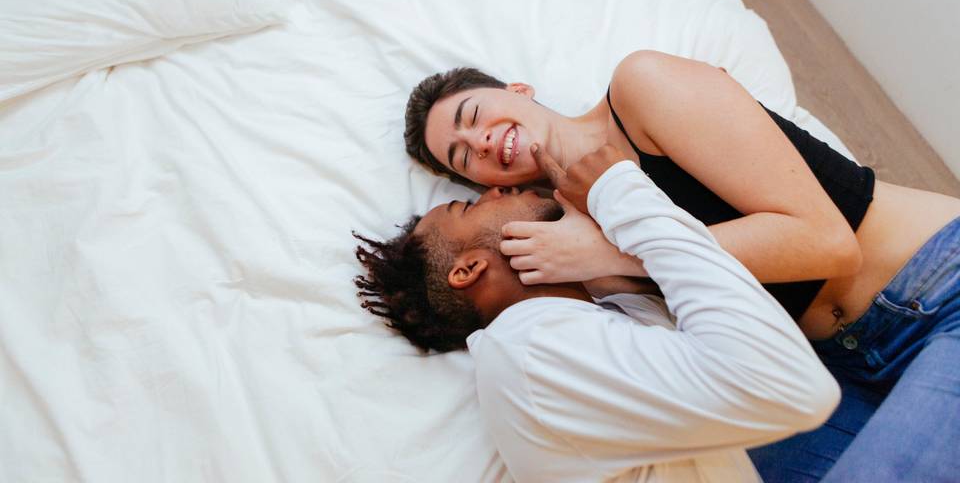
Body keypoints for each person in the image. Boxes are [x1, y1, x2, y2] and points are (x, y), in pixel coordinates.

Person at [403, 53, 960, 482]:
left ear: (516, 91)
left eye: (472, 116)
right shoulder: (558, 241)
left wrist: (609, 254)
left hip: (934, 288)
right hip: (831, 362)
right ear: (488, 185)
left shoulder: (641, 89)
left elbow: (828, 243)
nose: (479, 140)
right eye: (462, 156)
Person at [355, 145, 839, 483]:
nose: (493, 191)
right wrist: (620, 192)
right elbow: (794, 387)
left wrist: (598, 234)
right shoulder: (532, 351)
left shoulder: (582, 319)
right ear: (470, 269)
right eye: (469, 206)